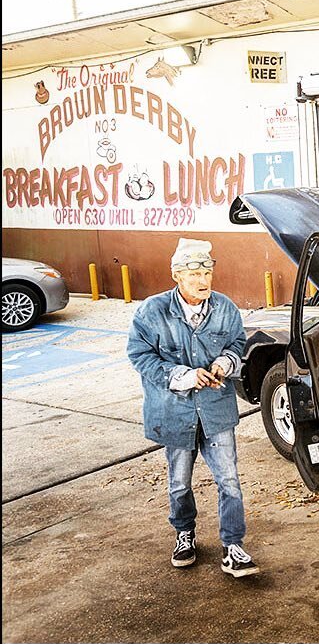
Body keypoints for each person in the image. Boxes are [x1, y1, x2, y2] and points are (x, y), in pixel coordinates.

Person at [127, 238, 259, 577]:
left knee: (229, 480)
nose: (203, 279)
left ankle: (234, 546)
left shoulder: (225, 308)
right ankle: (184, 533)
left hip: (216, 412)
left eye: (207, 271)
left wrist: (225, 363)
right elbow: (139, 355)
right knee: (179, 483)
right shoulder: (151, 311)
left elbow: (237, 344)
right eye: (194, 273)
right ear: (176, 276)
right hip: (175, 412)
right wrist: (182, 375)